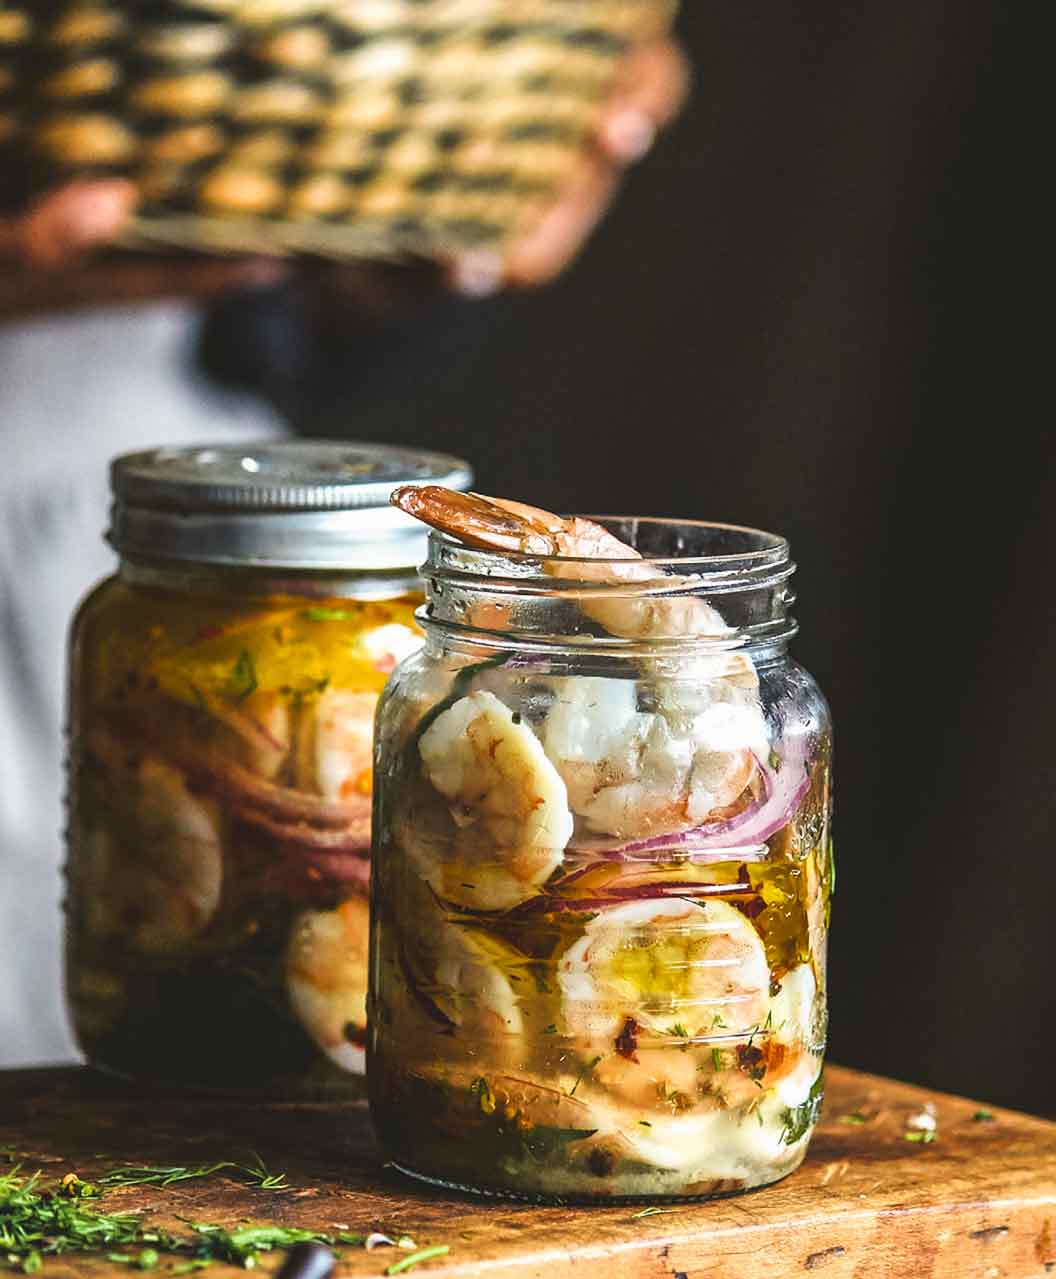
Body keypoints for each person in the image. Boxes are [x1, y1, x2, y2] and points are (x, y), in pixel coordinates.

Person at [0, 36, 687, 1066]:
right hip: (133, 538)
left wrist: (405, 242)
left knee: (131, 1119)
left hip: (159, 507)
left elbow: (291, 327)